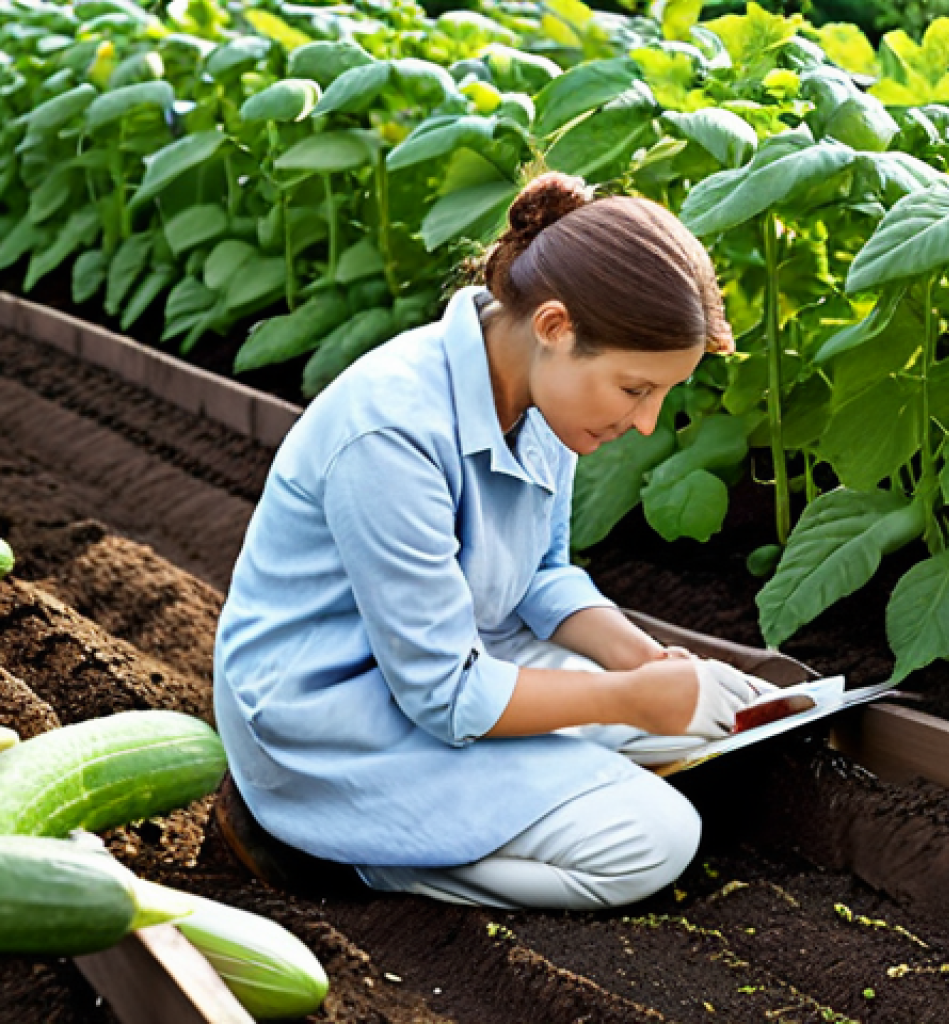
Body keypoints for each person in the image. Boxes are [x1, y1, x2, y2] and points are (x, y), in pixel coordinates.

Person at [212, 171, 770, 912]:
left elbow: (541, 576)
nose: (644, 422)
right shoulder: (393, 433)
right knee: (653, 836)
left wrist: (637, 658)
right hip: (330, 719)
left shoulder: (547, 400)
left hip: (452, 657)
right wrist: (628, 700)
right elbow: (443, 694)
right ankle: (336, 851)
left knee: (713, 711)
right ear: (554, 328)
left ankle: (535, 782)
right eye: (637, 389)